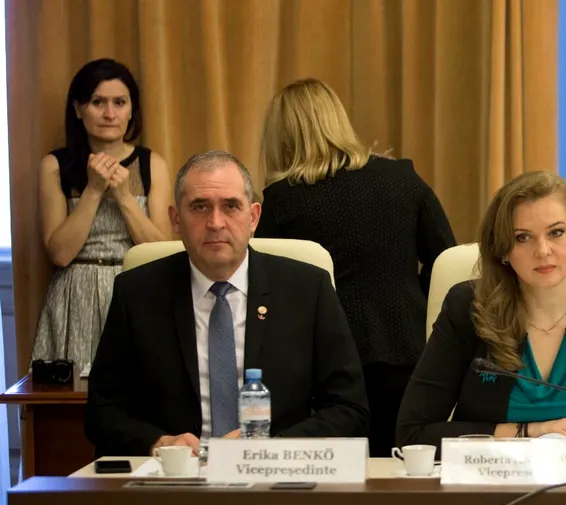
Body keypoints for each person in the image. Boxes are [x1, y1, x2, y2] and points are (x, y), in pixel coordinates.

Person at [86, 151, 370, 457]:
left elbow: (349, 408)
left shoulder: (307, 289)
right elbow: (102, 413)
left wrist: (273, 447)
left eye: (231, 206)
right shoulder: (137, 293)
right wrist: (159, 443)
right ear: (176, 219)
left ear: (253, 218)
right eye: (200, 207)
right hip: (175, 475)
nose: (215, 223)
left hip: (275, 474)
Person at [395, 170, 566, 457]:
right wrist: (531, 432)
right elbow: (414, 433)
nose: (543, 251)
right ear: (502, 249)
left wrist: (561, 450)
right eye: (523, 237)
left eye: (556, 233)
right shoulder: (468, 308)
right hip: (496, 480)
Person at [255, 78, 455, 457]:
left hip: (326, 367)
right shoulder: (403, 179)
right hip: (407, 350)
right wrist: (412, 301)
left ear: (282, 137)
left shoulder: (281, 200)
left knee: (337, 473)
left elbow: (267, 286)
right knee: (402, 467)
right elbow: (446, 260)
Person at [33, 58, 173, 367]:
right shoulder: (54, 165)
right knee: (72, 392)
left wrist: (124, 197)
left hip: (136, 289)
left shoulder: (152, 164)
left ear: (131, 110)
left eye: (119, 103)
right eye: (98, 102)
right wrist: (94, 190)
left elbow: (161, 252)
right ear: (78, 108)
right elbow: (60, 254)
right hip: (75, 293)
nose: (110, 114)